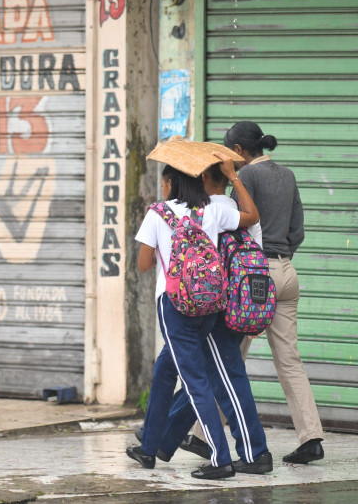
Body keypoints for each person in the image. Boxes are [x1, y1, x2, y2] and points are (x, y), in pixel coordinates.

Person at [181, 121, 325, 464]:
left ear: (240, 152)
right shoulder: (287, 175)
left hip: (254, 278)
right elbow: (297, 230)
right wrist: (280, 260)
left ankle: (203, 435)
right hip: (286, 272)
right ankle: (312, 438)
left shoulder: (244, 178)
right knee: (289, 361)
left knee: (227, 356)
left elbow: (233, 224)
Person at [128, 152, 259, 480]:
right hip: (209, 305)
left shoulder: (158, 213)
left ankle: (220, 460)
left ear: (171, 183)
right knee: (165, 370)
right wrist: (234, 178)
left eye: (163, 181)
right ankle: (150, 448)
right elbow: (252, 216)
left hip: (175, 306)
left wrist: (161, 250)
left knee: (195, 381)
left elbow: (144, 264)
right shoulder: (213, 210)